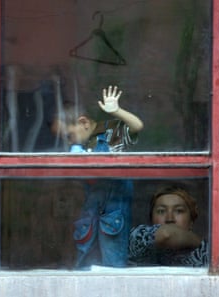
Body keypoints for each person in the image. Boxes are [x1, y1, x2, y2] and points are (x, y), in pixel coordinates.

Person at [51, 85, 144, 268]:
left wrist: (117, 111)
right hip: (90, 213)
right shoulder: (82, 147)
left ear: (84, 123)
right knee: (85, 257)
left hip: (113, 214)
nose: (69, 142)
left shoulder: (111, 137)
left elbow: (137, 126)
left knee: (113, 260)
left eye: (69, 136)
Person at [128, 186, 208, 267]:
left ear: (191, 220)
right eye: (161, 211)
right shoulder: (138, 241)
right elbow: (166, 234)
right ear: (151, 218)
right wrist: (199, 241)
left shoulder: (205, 254)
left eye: (179, 211)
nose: (170, 219)